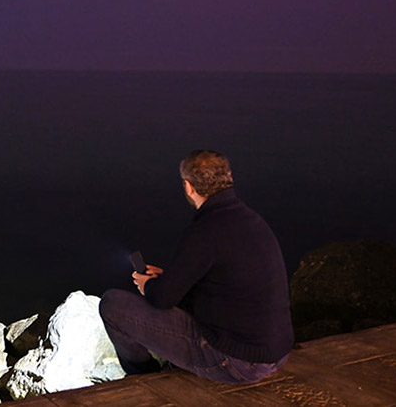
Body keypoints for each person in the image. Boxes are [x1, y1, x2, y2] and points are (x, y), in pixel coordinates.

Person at [99, 150, 293, 383]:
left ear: (189, 187)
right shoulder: (251, 220)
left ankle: (146, 377)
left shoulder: (206, 229)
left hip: (238, 362)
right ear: (228, 179)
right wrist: (169, 277)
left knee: (112, 305)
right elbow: (224, 278)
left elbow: (162, 299)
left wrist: (148, 284)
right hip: (276, 354)